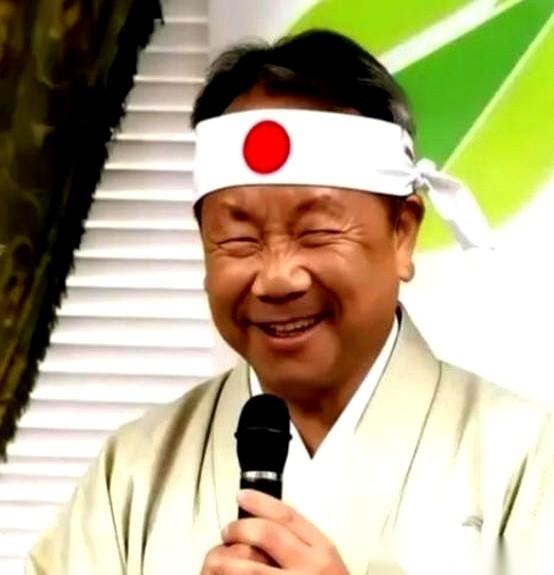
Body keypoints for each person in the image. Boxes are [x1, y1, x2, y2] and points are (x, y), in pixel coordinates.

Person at [26, 30, 553, 575]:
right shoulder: (133, 475)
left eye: (316, 232)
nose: (277, 278)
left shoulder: (525, 458)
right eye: (238, 238)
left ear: (402, 233)